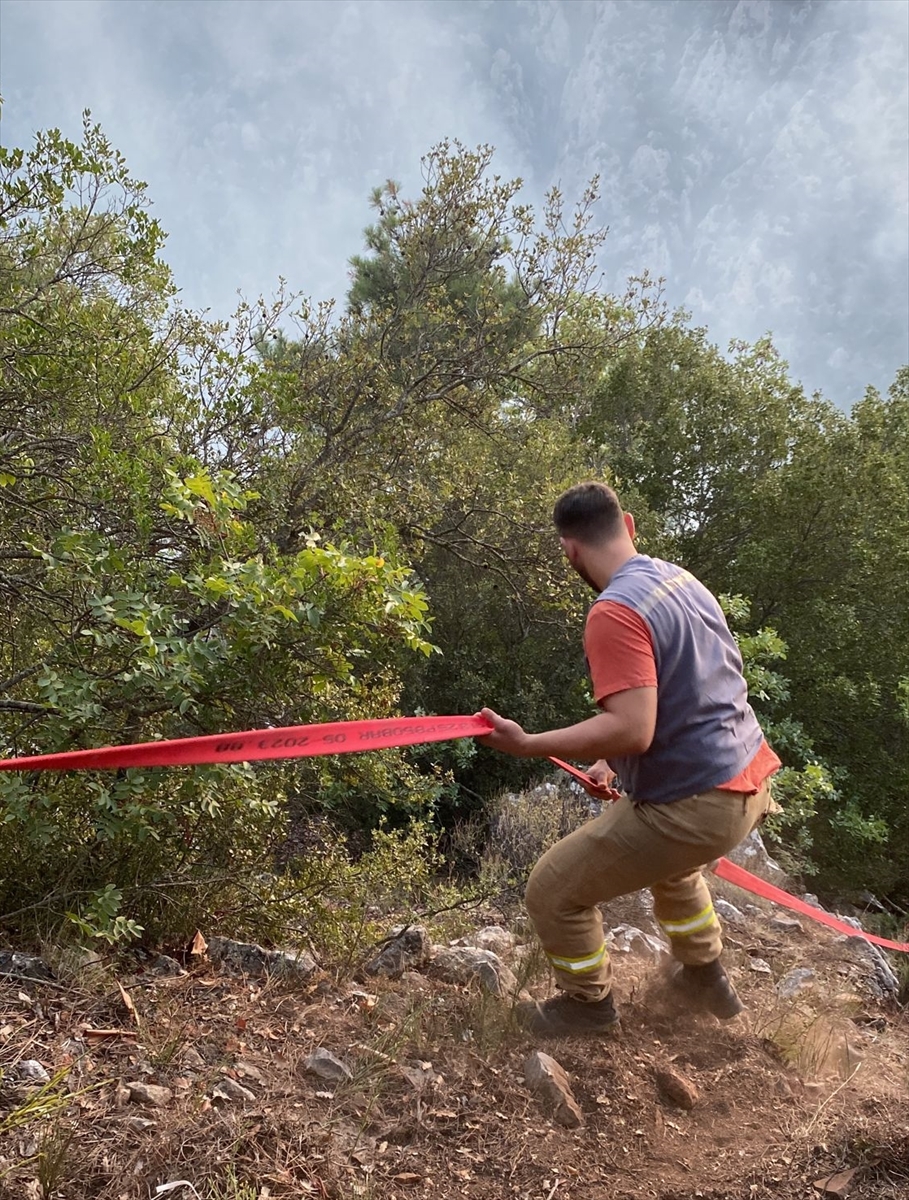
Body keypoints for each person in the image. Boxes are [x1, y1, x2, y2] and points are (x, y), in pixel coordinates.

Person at [477, 481, 780, 1036]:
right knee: (676, 867)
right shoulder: (679, 580)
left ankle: (587, 1008)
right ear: (630, 526)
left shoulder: (613, 612)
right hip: (748, 783)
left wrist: (527, 744)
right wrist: (611, 763)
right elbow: (693, 689)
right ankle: (704, 977)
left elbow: (634, 728)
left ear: (570, 550)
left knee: (552, 890)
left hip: (696, 804)